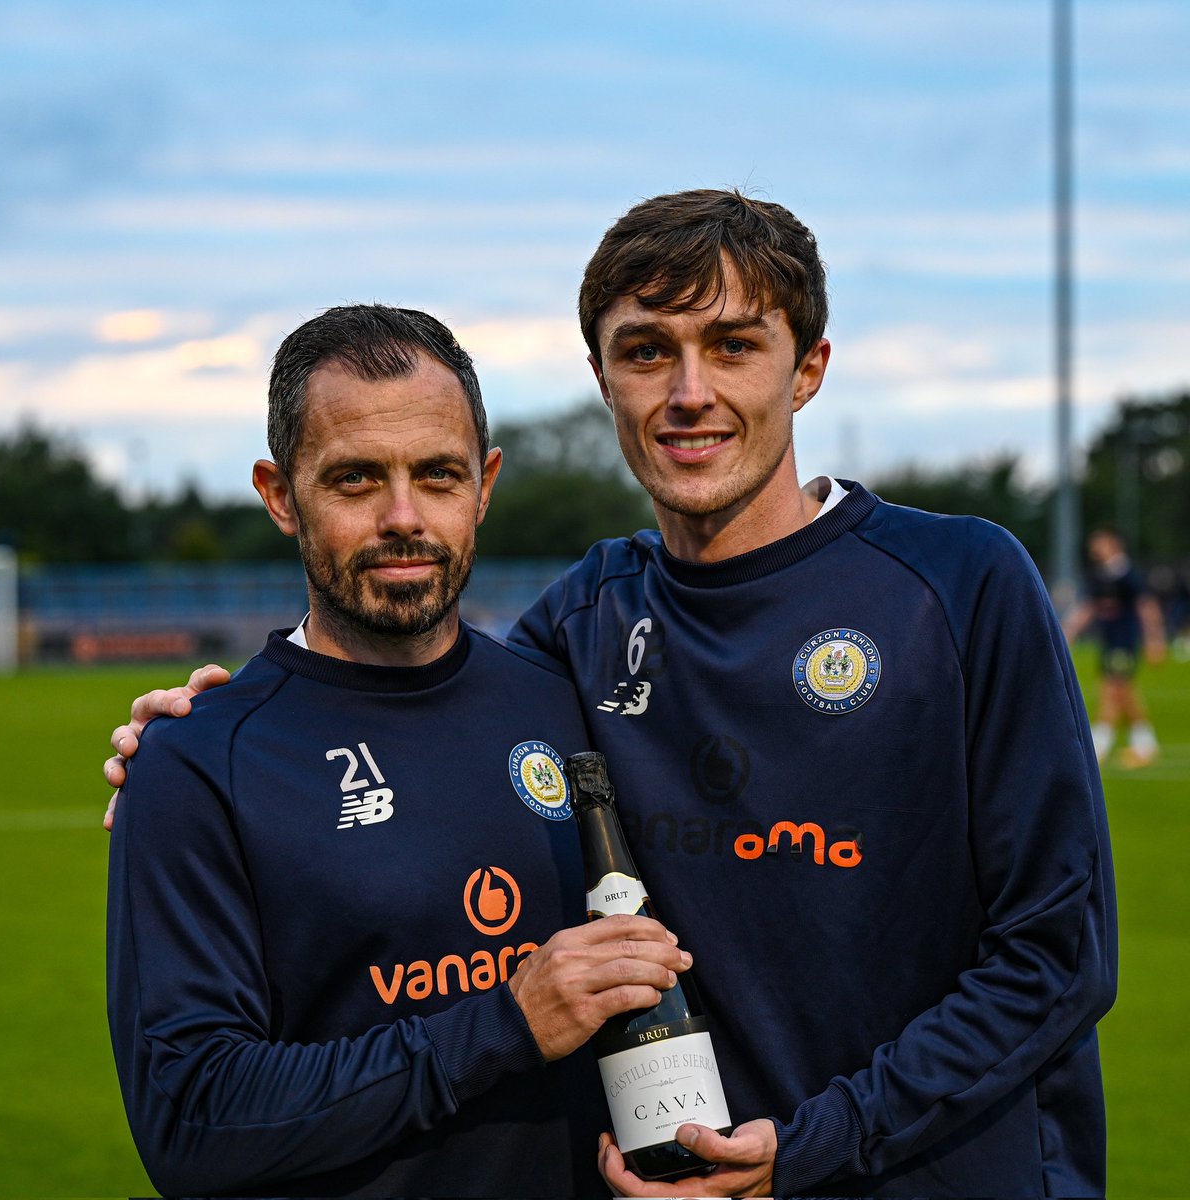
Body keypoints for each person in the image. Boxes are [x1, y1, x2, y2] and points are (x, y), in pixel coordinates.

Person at [106, 191, 1118, 1198]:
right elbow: (410, 694)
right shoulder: (584, 624)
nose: (688, 392)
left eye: (731, 346)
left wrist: (815, 1146)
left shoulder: (961, 583)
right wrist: (214, 737)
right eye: (646, 352)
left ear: (806, 369)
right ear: (603, 379)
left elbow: (1059, 954)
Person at [105, 303, 694, 1198]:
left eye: (439, 475)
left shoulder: (563, 701)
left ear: (485, 484)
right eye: (354, 480)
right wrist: (507, 1019)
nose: (404, 517)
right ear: (279, 495)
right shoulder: (198, 763)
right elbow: (193, 1118)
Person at [1064, 527, 1166, 766]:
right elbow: (1087, 608)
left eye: (1099, 542)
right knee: (1125, 693)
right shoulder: (1100, 576)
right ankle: (1146, 745)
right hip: (1108, 642)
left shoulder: (1128, 574)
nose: (1094, 547)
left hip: (1124, 642)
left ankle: (1099, 746)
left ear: (1113, 544)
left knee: (1112, 690)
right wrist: (1068, 632)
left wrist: (1154, 639)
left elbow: (1146, 607)